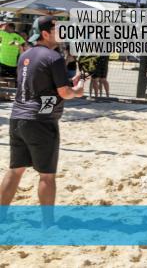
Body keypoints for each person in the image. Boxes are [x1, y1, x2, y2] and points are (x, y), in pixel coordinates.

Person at [0, 16, 86, 226]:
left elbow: (39, 85)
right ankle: (48, 223)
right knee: (47, 176)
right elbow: (64, 93)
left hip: (18, 118)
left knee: (15, 171)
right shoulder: (54, 57)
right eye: (57, 28)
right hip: (41, 120)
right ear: (45, 33)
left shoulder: (25, 55)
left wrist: (68, 83)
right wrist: (77, 90)